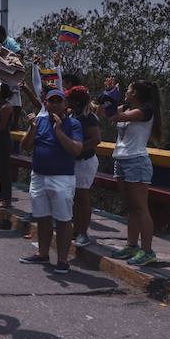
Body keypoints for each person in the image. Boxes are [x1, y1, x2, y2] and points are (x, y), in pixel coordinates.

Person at [19, 89, 83, 274]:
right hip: (39, 176)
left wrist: (58, 131)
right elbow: (25, 147)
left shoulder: (73, 124)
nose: (54, 104)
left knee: (63, 219)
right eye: (51, 101)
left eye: (58, 101)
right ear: (45, 104)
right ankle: (42, 253)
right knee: (42, 216)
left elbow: (76, 150)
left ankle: (63, 260)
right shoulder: (38, 122)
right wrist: (32, 128)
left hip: (62, 178)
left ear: (65, 104)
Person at [107, 81, 162, 266]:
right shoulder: (129, 107)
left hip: (136, 161)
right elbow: (103, 112)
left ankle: (147, 251)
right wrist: (106, 96)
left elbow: (116, 116)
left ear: (136, 93)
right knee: (130, 206)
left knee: (140, 207)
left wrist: (111, 97)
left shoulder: (145, 111)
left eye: (129, 89)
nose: (126, 92)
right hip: (121, 159)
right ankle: (131, 245)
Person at [66, 86, 100, 248]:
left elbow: (95, 139)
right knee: (75, 198)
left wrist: (78, 148)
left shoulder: (88, 117)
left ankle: (83, 232)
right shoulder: (73, 114)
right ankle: (76, 229)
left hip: (85, 161)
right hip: (74, 161)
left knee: (82, 197)